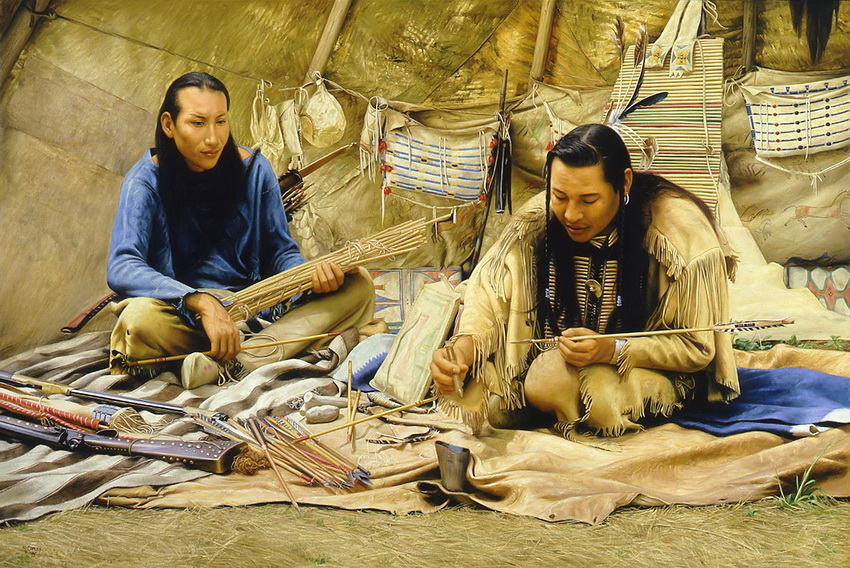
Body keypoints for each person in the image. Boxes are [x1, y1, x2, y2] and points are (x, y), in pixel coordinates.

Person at [430, 123, 739, 437]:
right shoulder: (539, 218)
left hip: (652, 368)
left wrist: (612, 349)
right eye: (559, 196)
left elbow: (696, 347)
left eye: (589, 200)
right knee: (487, 398)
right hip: (554, 361)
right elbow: (490, 290)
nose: (571, 215)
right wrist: (464, 351)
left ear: (624, 183)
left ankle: (574, 418)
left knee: (562, 384)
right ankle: (556, 408)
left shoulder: (679, 232)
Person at [107, 71, 375, 387]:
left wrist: (310, 279)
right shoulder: (144, 182)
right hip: (185, 316)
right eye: (198, 123)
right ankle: (264, 353)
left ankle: (237, 363)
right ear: (169, 125)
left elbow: (280, 252)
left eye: (220, 121)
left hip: (256, 311)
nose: (213, 138)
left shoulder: (254, 170)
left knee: (359, 285)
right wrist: (199, 301)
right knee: (137, 321)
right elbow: (123, 265)